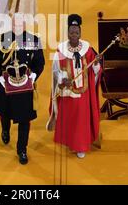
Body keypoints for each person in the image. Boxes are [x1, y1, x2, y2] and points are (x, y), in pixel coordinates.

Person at [0, 13, 44, 164]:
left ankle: (22, 149)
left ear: (25, 26)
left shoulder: (34, 40)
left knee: (25, 120)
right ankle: (5, 130)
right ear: (11, 25)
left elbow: (39, 63)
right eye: (15, 25)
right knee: (5, 113)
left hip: (25, 87)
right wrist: (1, 80)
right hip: (6, 85)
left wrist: (32, 77)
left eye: (21, 25)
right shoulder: (1, 40)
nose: (18, 28)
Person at [47, 14, 102, 159]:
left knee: (81, 121)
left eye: (76, 32)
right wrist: (61, 80)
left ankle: (80, 146)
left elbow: (95, 70)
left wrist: (96, 63)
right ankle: (69, 142)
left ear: (80, 33)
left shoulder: (88, 49)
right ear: (67, 33)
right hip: (68, 92)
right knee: (70, 119)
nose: (74, 35)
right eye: (71, 32)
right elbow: (55, 70)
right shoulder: (61, 50)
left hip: (83, 93)